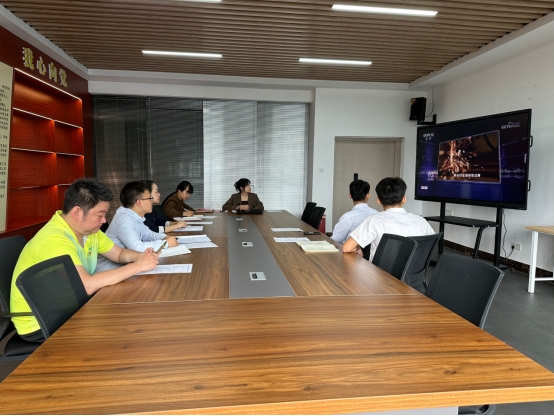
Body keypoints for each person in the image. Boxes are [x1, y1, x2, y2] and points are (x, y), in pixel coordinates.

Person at [10, 178, 159, 342]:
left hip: (68, 306)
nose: (104, 220)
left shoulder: (89, 232)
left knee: (130, 317)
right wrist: (138, 266)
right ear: (77, 213)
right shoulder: (54, 238)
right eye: (100, 215)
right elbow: (86, 286)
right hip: (40, 321)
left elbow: (119, 253)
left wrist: (141, 257)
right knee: (125, 328)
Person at [342, 177, 435, 261]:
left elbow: (346, 248)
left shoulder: (374, 220)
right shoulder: (422, 221)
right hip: (413, 274)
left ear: (378, 200)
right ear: (404, 199)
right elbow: (431, 246)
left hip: (379, 274)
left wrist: (358, 248)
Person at [98, 182, 178, 271]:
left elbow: (148, 234)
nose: (151, 201)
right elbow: (137, 248)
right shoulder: (125, 219)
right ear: (139, 202)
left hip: (128, 266)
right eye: (149, 198)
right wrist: (164, 244)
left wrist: (164, 237)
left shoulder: (135, 216)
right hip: (111, 269)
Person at [331, 179, 378, 244]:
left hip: (351, 249)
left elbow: (335, 240)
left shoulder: (347, 217)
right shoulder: (377, 214)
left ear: (350, 195)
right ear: (368, 195)